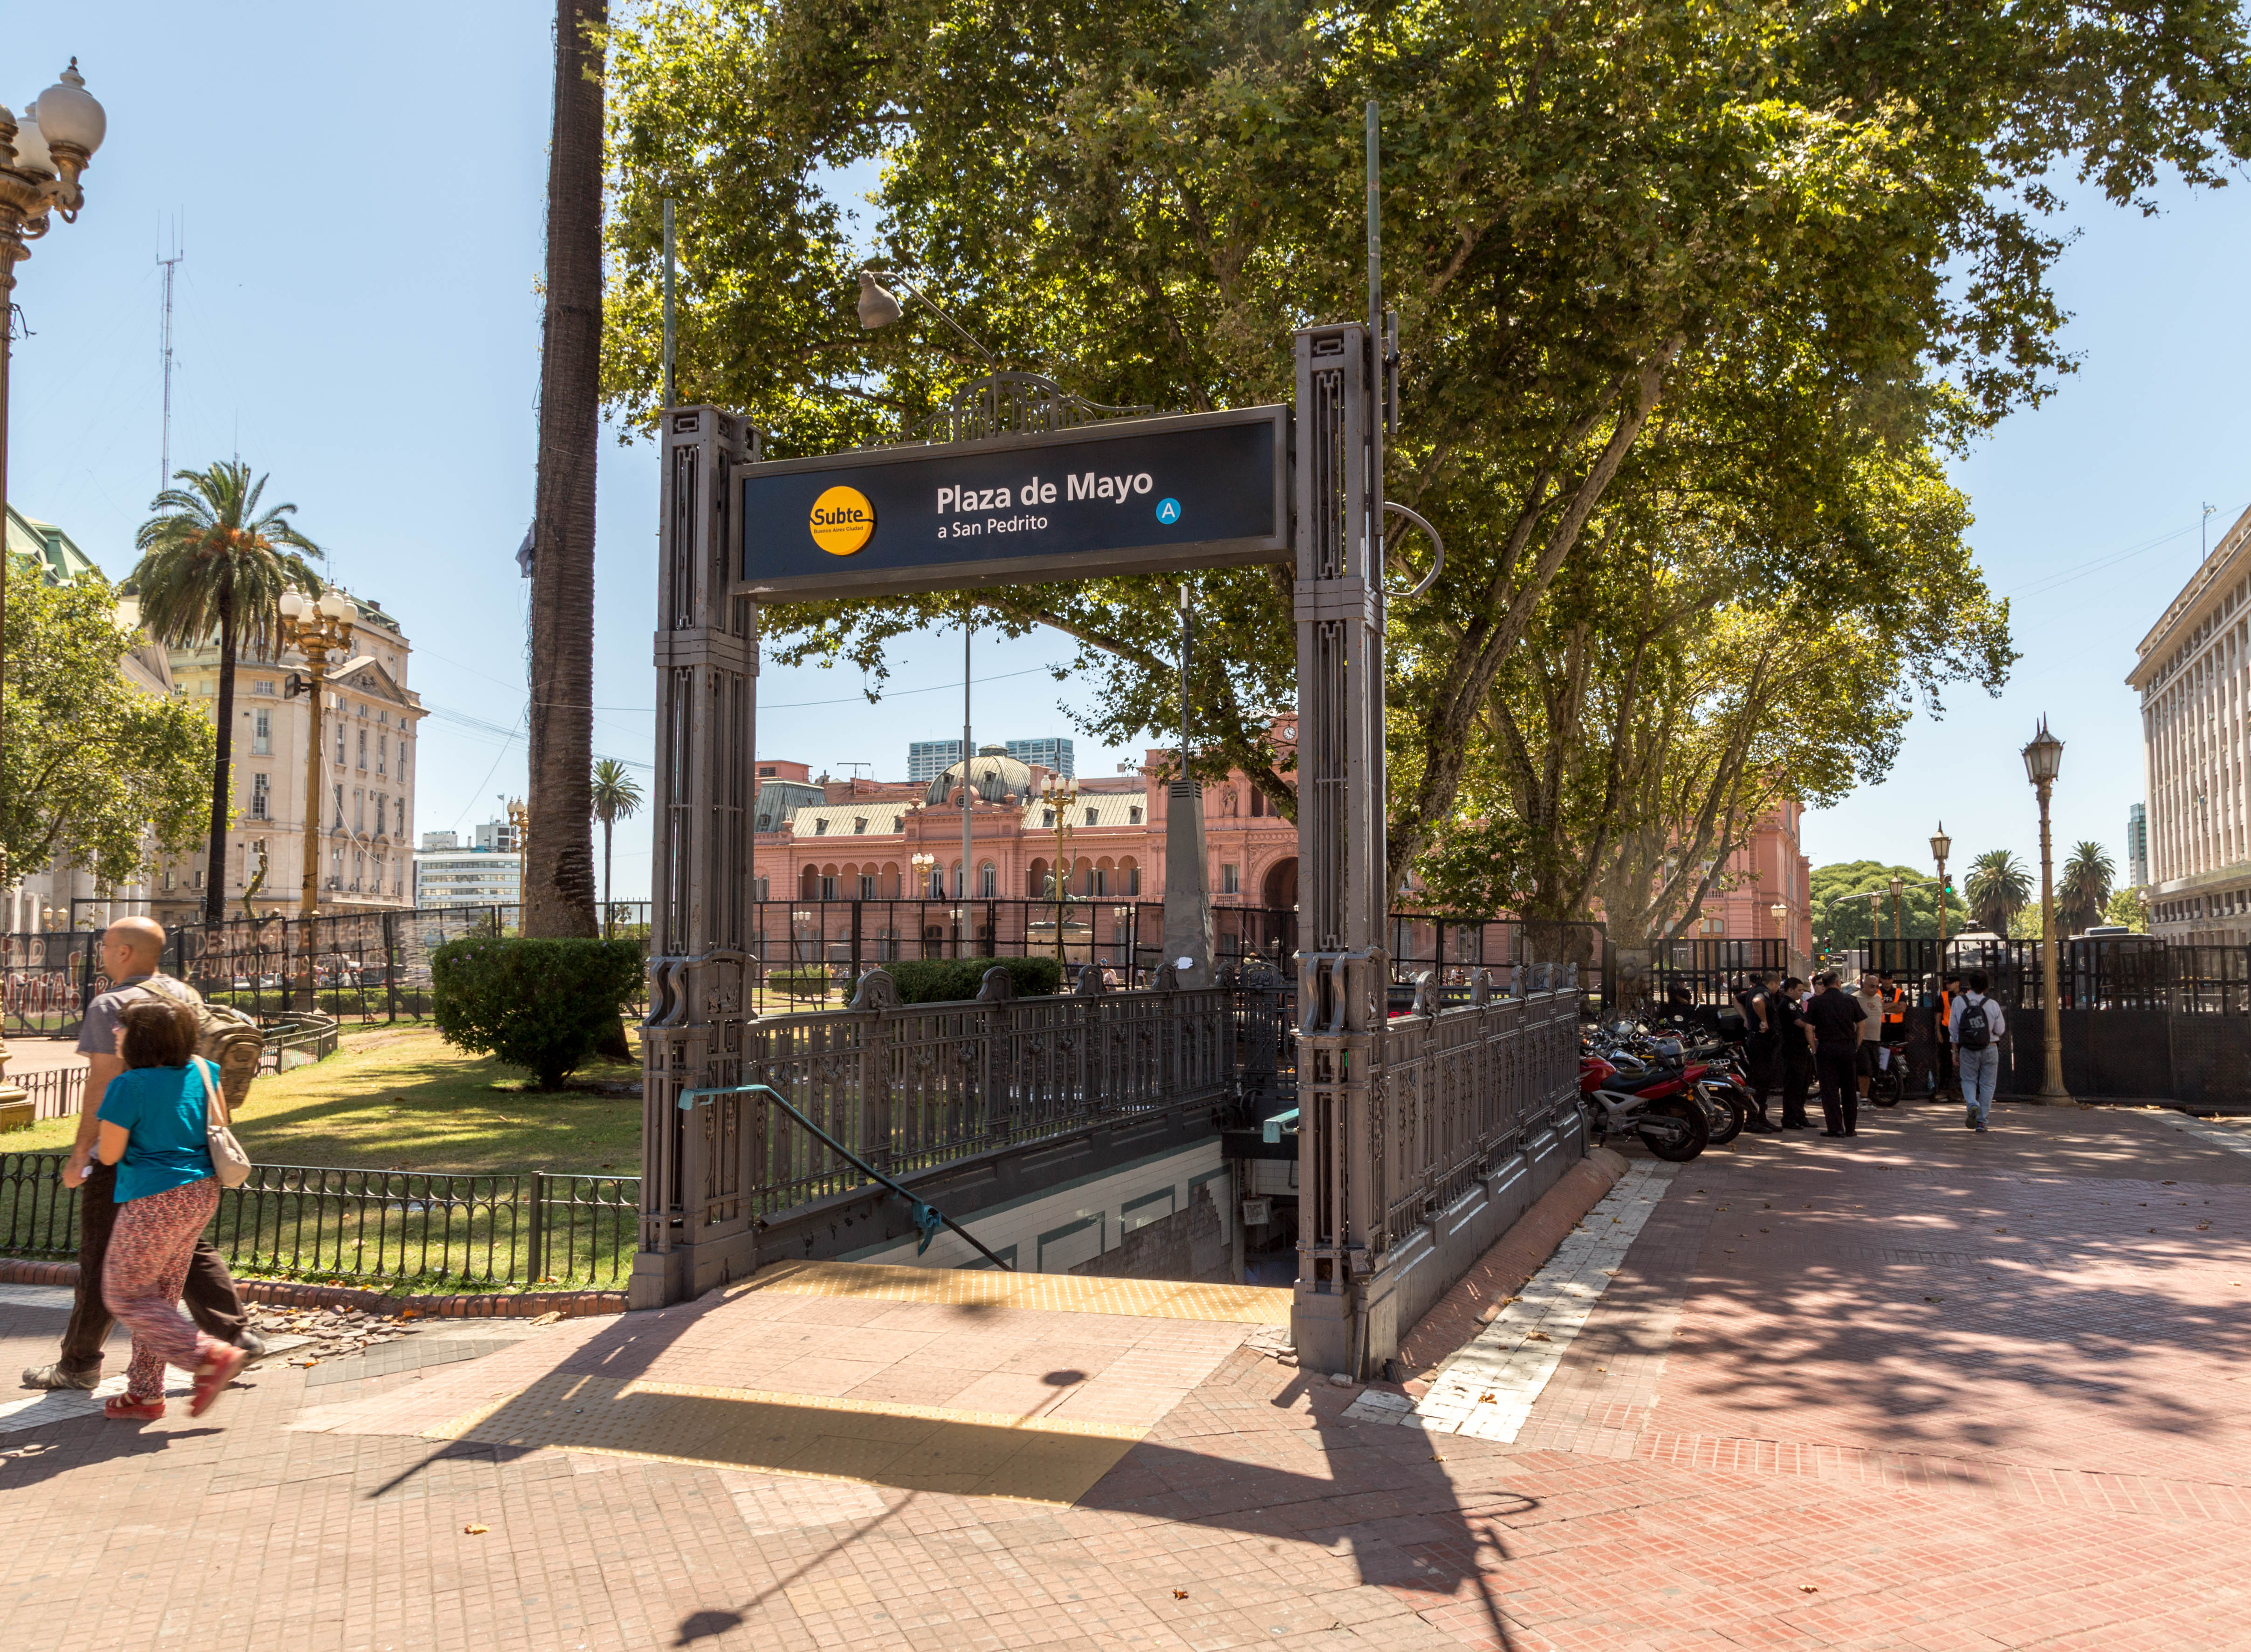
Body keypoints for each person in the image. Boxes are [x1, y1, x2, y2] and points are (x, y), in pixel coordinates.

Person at [21, 917, 263, 1393]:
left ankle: (80, 1361)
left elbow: (103, 1084)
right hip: (191, 1162)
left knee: (106, 1263)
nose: (103, 953)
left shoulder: (112, 1003)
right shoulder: (183, 995)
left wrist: (81, 1155)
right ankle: (231, 1338)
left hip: (135, 1160)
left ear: (125, 952)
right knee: (183, 1250)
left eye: (106, 945)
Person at [84, 997, 249, 1419]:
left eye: (123, 1028)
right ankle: (145, 1392)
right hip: (201, 1192)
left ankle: (210, 1356)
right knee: (159, 1297)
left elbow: (110, 1154)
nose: (117, 1033)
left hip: (154, 1199)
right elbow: (216, 1122)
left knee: (125, 1295)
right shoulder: (203, 1070)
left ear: (142, 1038)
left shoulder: (129, 1085)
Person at [1806, 970, 1867, 1136]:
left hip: (1826, 1048)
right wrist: (1857, 1045)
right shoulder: (1851, 1000)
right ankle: (1851, 1128)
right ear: (1839, 983)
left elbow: (1808, 1029)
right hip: (1847, 1048)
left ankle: (1835, 1128)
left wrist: (1814, 1048)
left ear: (1823, 985)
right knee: (1849, 1089)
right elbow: (1862, 1025)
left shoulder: (1816, 1003)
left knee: (1829, 1090)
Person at [1949, 969, 2006, 1132]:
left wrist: (1954, 1052)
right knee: (1988, 1085)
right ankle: (1982, 1122)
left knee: (1968, 1080)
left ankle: (1972, 1103)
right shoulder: (1993, 1004)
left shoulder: (1959, 1002)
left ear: (1970, 983)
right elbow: (2001, 1030)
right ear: (1987, 986)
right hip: (1990, 1048)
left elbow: (1954, 1030)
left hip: (1967, 1048)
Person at [1772, 976, 1815, 1129]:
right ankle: (1789, 1118)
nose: (1801, 993)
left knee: (1803, 1085)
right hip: (1793, 1049)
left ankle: (1799, 1115)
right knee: (1793, 1085)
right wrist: (1815, 1026)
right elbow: (1799, 1023)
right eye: (1799, 990)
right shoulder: (1787, 1005)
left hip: (1802, 1049)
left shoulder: (1795, 1005)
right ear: (1790, 990)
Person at [1852, 973, 1885, 1100]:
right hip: (1862, 1039)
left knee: (1874, 1069)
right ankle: (1864, 1097)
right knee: (1864, 1069)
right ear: (1864, 985)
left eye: (1877, 986)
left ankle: (1866, 1094)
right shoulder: (1855, 998)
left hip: (1875, 1039)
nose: (1875, 989)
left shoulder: (1878, 998)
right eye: (1872, 986)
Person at [1936, 971, 1964, 1101]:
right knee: (1946, 1060)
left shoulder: (1967, 995)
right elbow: (1938, 1015)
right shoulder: (1943, 996)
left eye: (1950, 983)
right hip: (1947, 1030)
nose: (1947, 986)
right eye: (1946, 984)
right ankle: (1945, 1087)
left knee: (1965, 1058)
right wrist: (1938, 1032)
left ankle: (1962, 1087)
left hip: (1963, 1030)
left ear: (1957, 983)